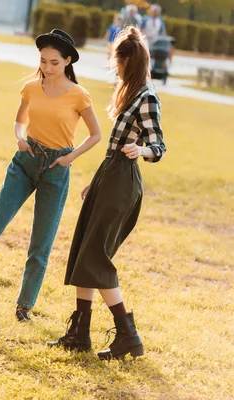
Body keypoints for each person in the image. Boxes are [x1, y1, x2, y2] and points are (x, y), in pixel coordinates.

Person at [0, 29, 102, 322]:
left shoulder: (79, 95)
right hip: (25, 161)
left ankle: (24, 307)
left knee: (40, 243)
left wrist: (70, 157)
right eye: (43, 61)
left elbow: (95, 135)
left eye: (54, 62)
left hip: (56, 170)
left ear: (68, 61)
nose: (47, 67)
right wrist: (20, 138)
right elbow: (20, 121)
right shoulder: (31, 87)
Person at [48, 26, 166, 360]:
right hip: (109, 176)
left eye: (117, 60)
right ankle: (79, 334)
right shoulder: (129, 93)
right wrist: (96, 181)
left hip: (123, 181)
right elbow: (113, 149)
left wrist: (140, 151)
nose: (113, 66)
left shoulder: (147, 97)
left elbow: (159, 145)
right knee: (85, 251)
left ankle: (129, 336)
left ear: (130, 60)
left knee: (96, 257)